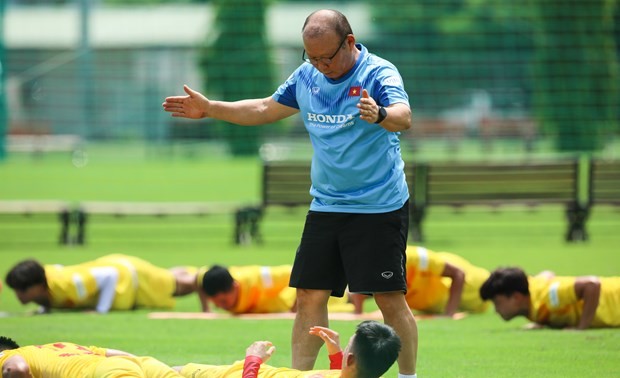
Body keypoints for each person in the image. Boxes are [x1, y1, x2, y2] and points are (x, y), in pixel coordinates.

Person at [162, 9, 417, 376]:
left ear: (349, 42)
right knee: (308, 296)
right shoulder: (308, 76)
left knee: (389, 301)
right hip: (327, 205)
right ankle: (300, 376)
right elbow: (265, 108)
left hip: (377, 206)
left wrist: (379, 114)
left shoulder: (378, 72)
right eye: (310, 57)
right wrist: (211, 109)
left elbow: (403, 116)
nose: (319, 66)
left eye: (326, 57)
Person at [175, 320, 401, 378]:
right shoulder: (362, 373)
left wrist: (253, 359)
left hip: (233, 375)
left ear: (351, 360)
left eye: (348, 345)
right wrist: (336, 354)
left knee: (145, 367)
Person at [4, 254, 196, 314]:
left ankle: (210, 277)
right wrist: (44, 309)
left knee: (180, 286)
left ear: (38, 285)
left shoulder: (68, 284)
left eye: (22, 289)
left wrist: (100, 310)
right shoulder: (46, 286)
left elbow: (109, 275)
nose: (19, 295)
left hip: (130, 277)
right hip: (126, 279)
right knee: (169, 278)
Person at [351, 246, 490, 317]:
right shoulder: (375, 267)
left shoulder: (417, 258)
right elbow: (359, 289)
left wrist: (449, 314)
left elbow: (459, 274)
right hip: (443, 303)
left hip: (475, 284)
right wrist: (358, 313)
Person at [479, 267, 620, 329]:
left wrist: (581, 327)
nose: (496, 310)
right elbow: (547, 273)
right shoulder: (531, 286)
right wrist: (544, 321)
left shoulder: (549, 298)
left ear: (516, 297)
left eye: (497, 302)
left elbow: (592, 285)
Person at [200, 264, 353, 314]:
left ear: (236, 286)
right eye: (217, 303)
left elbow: (295, 273)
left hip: (317, 296)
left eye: (223, 301)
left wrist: (294, 306)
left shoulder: (258, 278)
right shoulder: (216, 281)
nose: (221, 306)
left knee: (349, 296)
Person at [0, 336, 183, 377]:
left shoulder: (7, 355)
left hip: (101, 373)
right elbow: (115, 354)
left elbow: (16, 369)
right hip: (135, 364)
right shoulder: (57, 346)